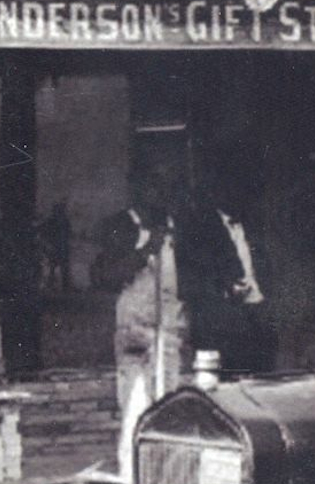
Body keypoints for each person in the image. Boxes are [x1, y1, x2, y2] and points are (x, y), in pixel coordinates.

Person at [106, 201, 188, 482]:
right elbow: (107, 273)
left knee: (167, 408)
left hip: (169, 333)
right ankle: (131, 474)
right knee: (135, 408)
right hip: (134, 332)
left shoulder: (178, 231)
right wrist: (146, 250)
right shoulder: (121, 224)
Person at [179, 179, 274, 375]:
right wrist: (226, 289)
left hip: (256, 317)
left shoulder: (253, 227)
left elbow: (265, 269)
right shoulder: (201, 229)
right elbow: (196, 276)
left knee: (260, 376)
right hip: (223, 322)